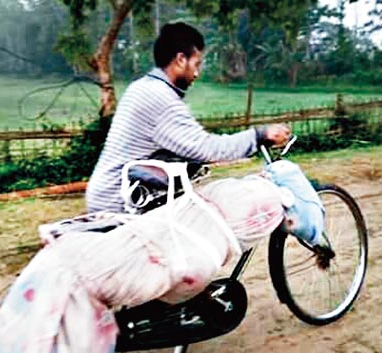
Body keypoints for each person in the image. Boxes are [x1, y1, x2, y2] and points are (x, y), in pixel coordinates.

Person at [86, 22, 291, 213]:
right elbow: (207, 149)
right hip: (120, 204)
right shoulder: (159, 98)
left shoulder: (143, 87)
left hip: (123, 193)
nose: (197, 73)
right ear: (181, 59)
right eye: (197, 64)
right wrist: (259, 135)